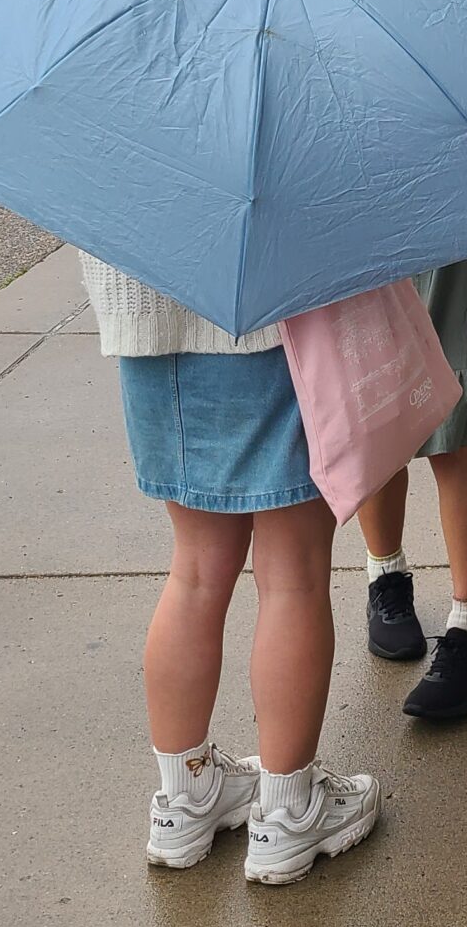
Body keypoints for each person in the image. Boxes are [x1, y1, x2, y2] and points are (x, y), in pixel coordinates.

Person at [82, 255, 379, 887]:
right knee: (293, 575)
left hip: (146, 325)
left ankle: (183, 799)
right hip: (271, 322)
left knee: (194, 571)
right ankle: (288, 812)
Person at [353, 253, 467, 720]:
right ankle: (385, 577)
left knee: (451, 414)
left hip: (452, 219)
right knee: (376, 406)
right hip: (361, 215)